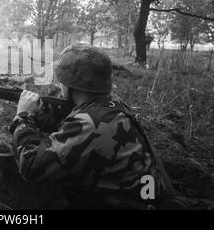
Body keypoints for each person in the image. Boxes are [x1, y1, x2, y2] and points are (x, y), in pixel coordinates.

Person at [9, 44, 173, 209]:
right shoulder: (112, 103)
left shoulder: (89, 124)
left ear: (71, 83)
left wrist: (23, 116)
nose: (59, 83)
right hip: (146, 196)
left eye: (62, 78)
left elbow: (30, 167)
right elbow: (74, 130)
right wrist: (44, 116)